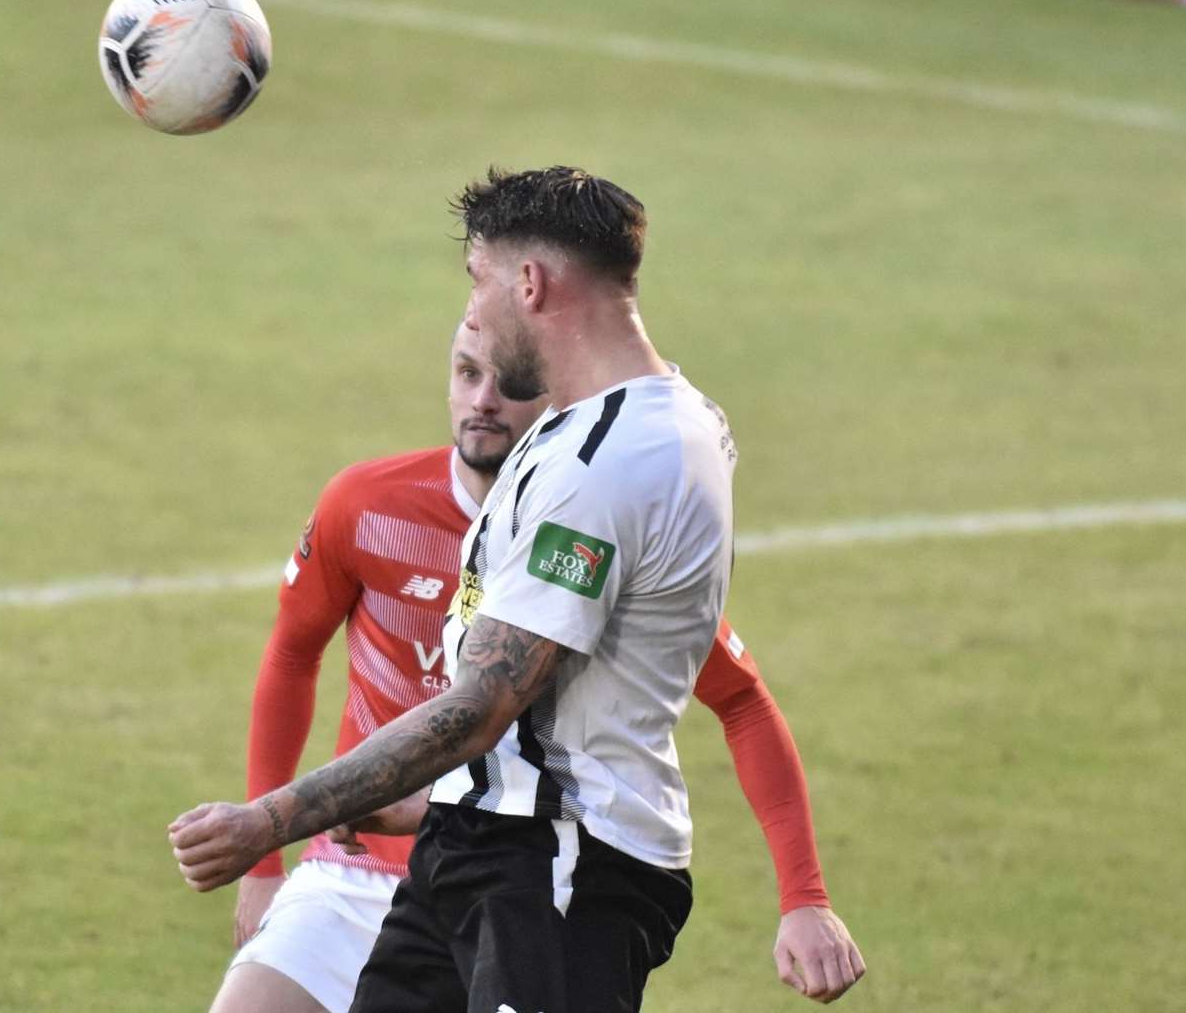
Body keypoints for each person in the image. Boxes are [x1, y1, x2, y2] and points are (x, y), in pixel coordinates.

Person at [173, 167, 866, 1011]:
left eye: (479, 280)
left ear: (529, 285)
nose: (472, 311)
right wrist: (440, 801)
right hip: (484, 843)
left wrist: (269, 821)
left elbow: (485, 703)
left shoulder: (603, 464)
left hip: (558, 866)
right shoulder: (630, 425)